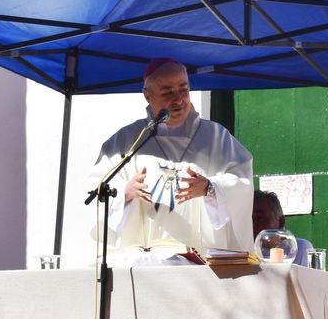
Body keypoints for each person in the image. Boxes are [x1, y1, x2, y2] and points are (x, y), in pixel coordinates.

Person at [90, 59, 253, 264]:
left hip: (202, 264)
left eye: (183, 89)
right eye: (167, 92)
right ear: (147, 96)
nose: (178, 100)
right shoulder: (127, 140)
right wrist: (124, 192)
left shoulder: (216, 136)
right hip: (143, 265)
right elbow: (96, 188)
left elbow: (242, 181)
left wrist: (210, 188)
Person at [252, 190, 313, 266]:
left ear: (281, 222)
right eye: (249, 219)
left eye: (259, 218)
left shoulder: (300, 249)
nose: (253, 224)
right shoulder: (244, 252)